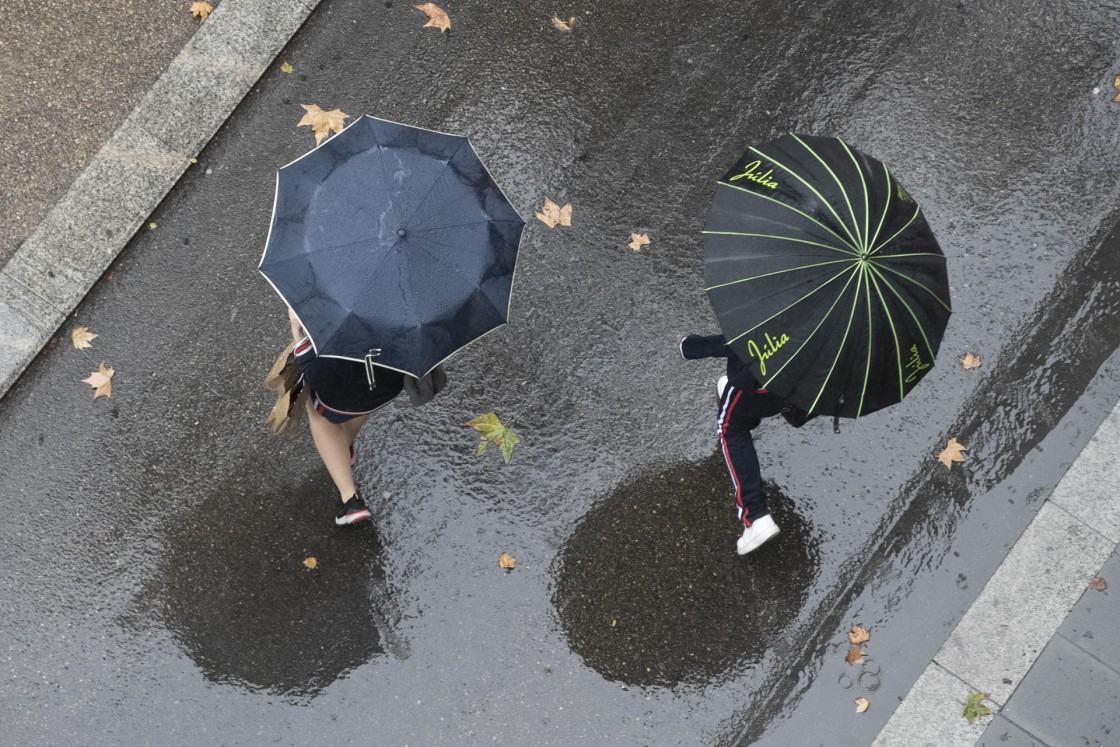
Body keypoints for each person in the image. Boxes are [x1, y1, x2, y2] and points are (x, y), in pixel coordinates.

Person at [289, 308, 404, 525]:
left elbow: (316, 375)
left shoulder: (338, 314)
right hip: (387, 382)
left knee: (320, 414)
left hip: (341, 384)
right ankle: (345, 446)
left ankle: (350, 500)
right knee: (359, 403)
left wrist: (298, 333)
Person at [679, 333, 788, 555]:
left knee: (731, 430)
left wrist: (692, 347)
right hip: (796, 390)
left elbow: (743, 342)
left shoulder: (787, 306)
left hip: (756, 388)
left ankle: (755, 516)